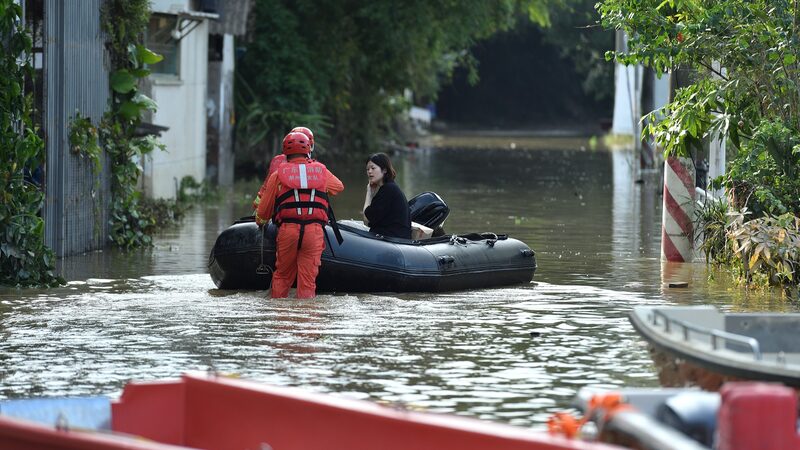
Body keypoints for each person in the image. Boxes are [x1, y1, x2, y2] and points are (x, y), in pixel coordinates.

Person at [255, 131, 344, 299]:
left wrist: (260, 221)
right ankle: (306, 313)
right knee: (308, 282)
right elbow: (338, 187)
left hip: (288, 231)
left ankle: (279, 313)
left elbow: (263, 213)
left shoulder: (277, 175)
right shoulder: (321, 171)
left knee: (282, 276)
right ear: (309, 149)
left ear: (285, 152)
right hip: (314, 232)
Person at [253, 126, 316, 210]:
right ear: (309, 145)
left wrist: (259, 208)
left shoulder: (277, 161)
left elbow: (265, 190)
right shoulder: (316, 167)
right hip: (307, 212)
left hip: (279, 210)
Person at [362, 153, 411, 239]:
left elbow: (366, 219)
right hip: (395, 236)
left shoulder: (388, 190)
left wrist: (369, 193)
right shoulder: (390, 187)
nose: (369, 171)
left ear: (384, 170)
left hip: (394, 239)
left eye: (373, 168)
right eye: (367, 169)